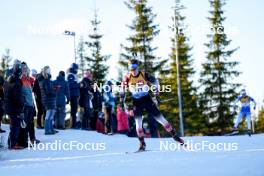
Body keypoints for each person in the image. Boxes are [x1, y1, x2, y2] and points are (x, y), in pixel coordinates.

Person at [120, 59, 184, 151]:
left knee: (161, 119)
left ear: (137, 67)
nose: (132, 70)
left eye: (134, 67)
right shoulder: (127, 77)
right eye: (130, 68)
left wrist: (157, 94)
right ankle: (142, 144)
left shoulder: (143, 74)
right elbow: (122, 88)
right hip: (136, 102)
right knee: (138, 125)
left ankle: (175, 136)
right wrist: (122, 100)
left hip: (147, 99)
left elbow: (156, 82)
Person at [4, 60, 25, 149]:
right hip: (14, 107)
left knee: (14, 125)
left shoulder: (10, 80)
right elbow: (17, 96)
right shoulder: (16, 82)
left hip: (10, 106)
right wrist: (21, 104)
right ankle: (13, 144)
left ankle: (11, 142)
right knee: (15, 125)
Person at [19, 62, 39, 146]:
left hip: (30, 105)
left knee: (31, 124)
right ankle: (24, 141)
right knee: (25, 125)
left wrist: (33, 104)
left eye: (27, 70)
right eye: (24, 70)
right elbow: (21, 94)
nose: (26, 72)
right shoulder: (21, 80)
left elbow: (30, 94)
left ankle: (32, 139)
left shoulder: (28, 80)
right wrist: (23, 105)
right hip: (25, 106)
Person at [39, 66, 58, 135]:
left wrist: (54, 89)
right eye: (48, 70)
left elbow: (50, 89)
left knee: (52, 114)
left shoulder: (49, 80)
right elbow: (48, 91)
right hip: (47, 99)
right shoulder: (45, 80)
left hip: (51, 99)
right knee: (48, 114)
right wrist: (55, 90)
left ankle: (51, 129)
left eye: (50, 70)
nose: (49, 71)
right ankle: (47, 130)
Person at [67, 63, 80, 128]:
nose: (77, 70)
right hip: (73, 95)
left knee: (75, 110)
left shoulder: (74, 75)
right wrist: (78, 85)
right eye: (76, 68)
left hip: (76, 94)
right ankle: (73, 125)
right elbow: (70, 85)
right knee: (73, 110)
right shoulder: (70, 75)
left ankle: (74, 124)